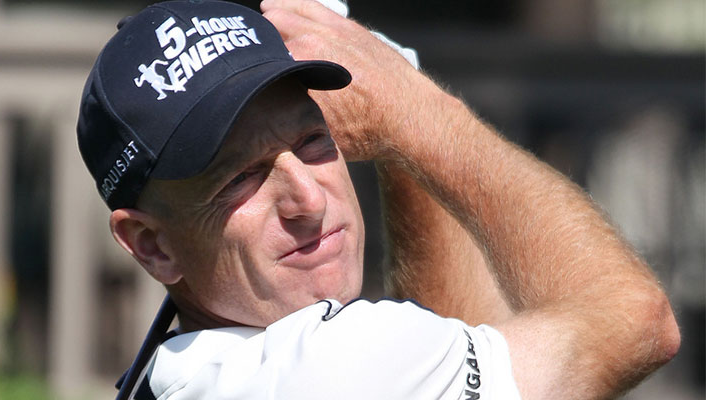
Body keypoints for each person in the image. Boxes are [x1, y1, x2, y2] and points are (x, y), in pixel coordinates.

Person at [76, 1, 680, 399]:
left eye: (314, 140)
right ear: (150, 245)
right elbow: (636, 322)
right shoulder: (327, 369)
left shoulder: (183, 371)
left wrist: (400, 145)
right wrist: (415, 110)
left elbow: (454, 348)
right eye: (241, 178)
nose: (308, 200)